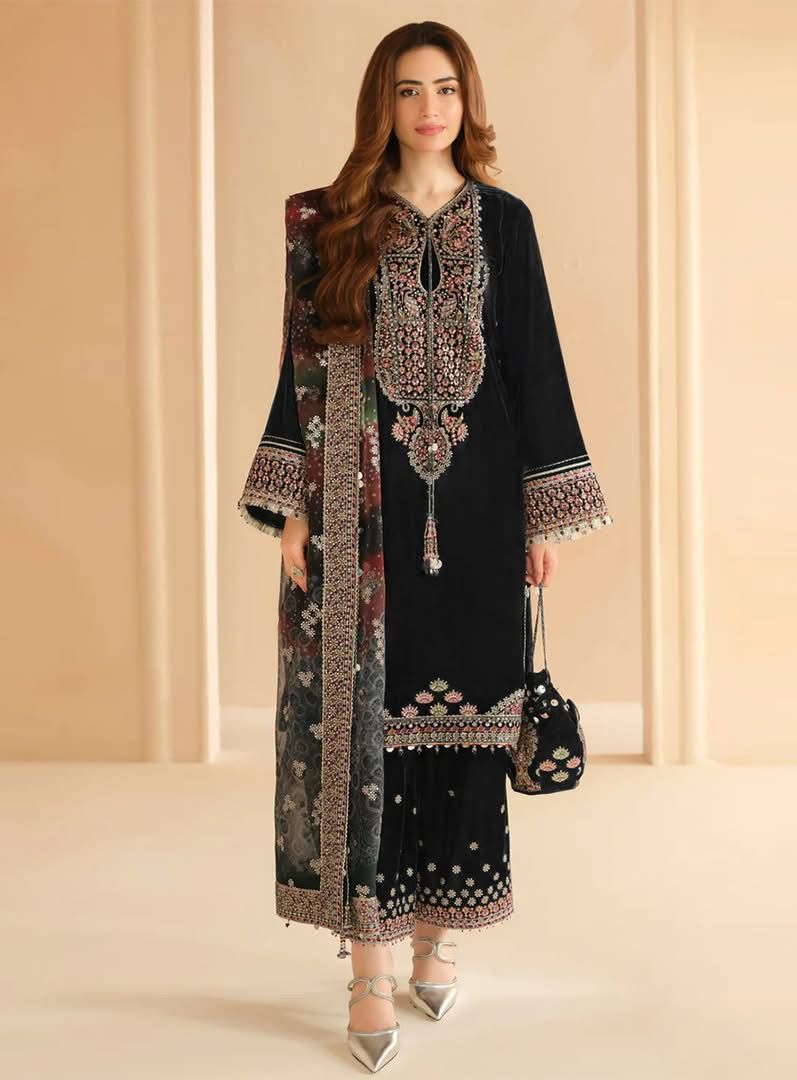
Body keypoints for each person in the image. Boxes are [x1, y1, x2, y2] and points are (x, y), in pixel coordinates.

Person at [237, 20, 613, 1073]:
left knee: (464, 726)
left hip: (482, 516)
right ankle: (369, 968)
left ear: (467, 99)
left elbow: (535, 370)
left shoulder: (506, 222)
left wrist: (542, 517)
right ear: (383, 104)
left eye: (445, 88)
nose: (429, 108)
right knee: (373, 728)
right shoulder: (333, 224)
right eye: (409, 90)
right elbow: (299, 371)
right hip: (368, 519)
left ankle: (438, 940)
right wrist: (297, 507)